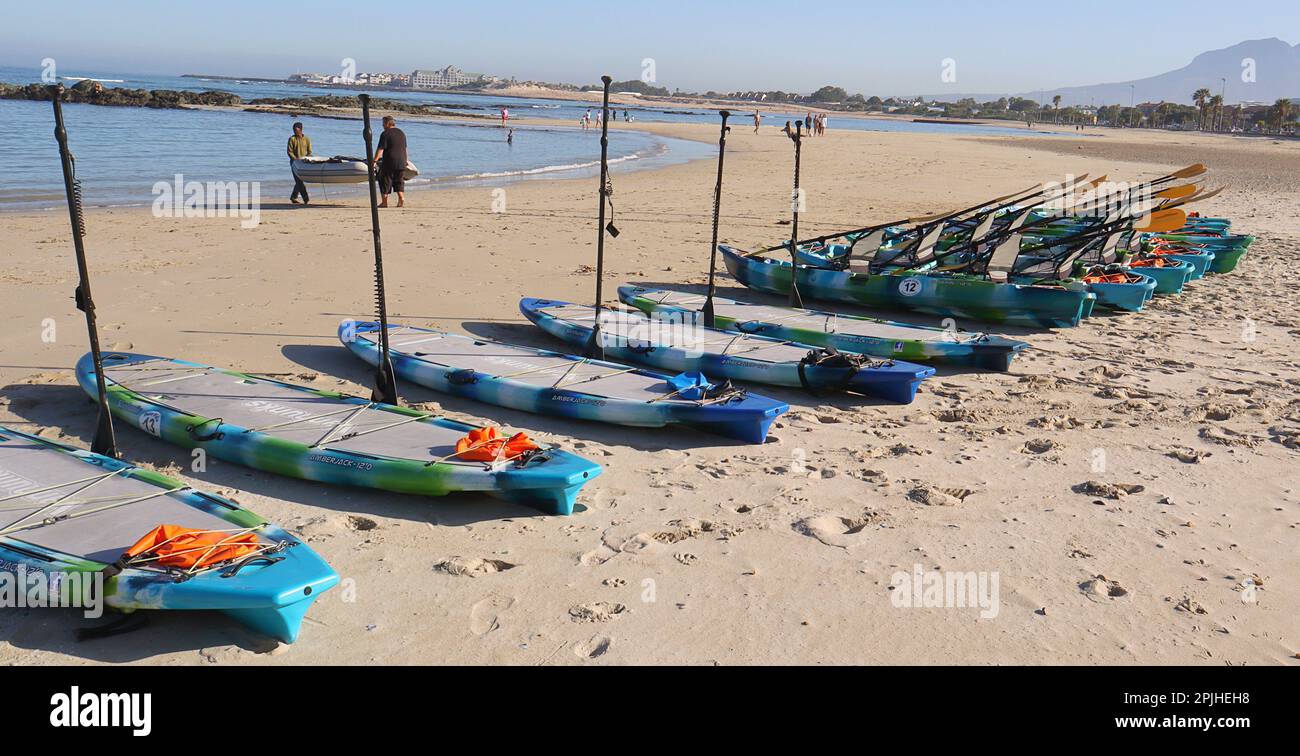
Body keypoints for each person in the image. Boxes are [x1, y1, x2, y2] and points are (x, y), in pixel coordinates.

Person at [374, 115, 408, 208]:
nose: (382, 125)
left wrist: (374, 161)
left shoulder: (385, 134)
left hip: (390, 160)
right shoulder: (401, 133)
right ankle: (401, 198)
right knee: (399, 181)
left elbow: (380, 149)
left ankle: (384, 203)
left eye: (383, 123)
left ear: (388, 123)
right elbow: (405, 149)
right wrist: (406, 160)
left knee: (384, 180)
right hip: (402, 161)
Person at [287, 122, 312, 205]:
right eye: (293, 129)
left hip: (304, 163)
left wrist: (308, 159)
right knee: (299, 181)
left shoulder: (307, 139)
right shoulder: (292, 139)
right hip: (294, 163)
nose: (294, 131)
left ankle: (293, 197)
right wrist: (295, 159)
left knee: (300, 181)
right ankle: (306, 199)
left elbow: (310, 152)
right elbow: (289, 152)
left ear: (300, 129)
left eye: (295, 129)